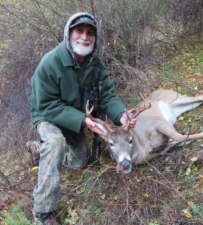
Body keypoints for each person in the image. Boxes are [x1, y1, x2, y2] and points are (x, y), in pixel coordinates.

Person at [26, 12, 136, 225]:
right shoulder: (50, 63)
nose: (84, 37)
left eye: (90, 33)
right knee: (56, 142)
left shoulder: (94, 64)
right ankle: (43, 211)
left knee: (78, 162)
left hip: (75, 117)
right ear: (69, 34)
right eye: (79, 31)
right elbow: (46, 105)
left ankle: (39, 149)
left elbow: (108, 95)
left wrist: (121, 116)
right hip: (47, 115)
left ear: (95, 38)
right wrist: (84, 121)